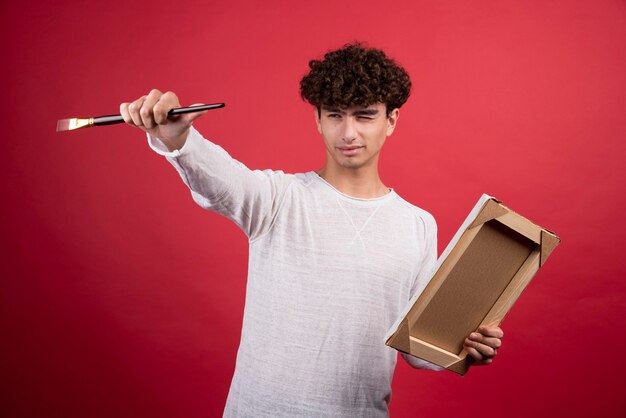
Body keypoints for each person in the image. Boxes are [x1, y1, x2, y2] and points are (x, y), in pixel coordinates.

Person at [120, 43, 503, 417]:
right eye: (335, 115)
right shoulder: (278, 198)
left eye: (364, 115)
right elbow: (218, 181)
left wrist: (463, 346)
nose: (348, 133)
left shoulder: (418, 225)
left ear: (392, 120)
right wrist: (178, 138)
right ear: (318, 119)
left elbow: (417, 347)